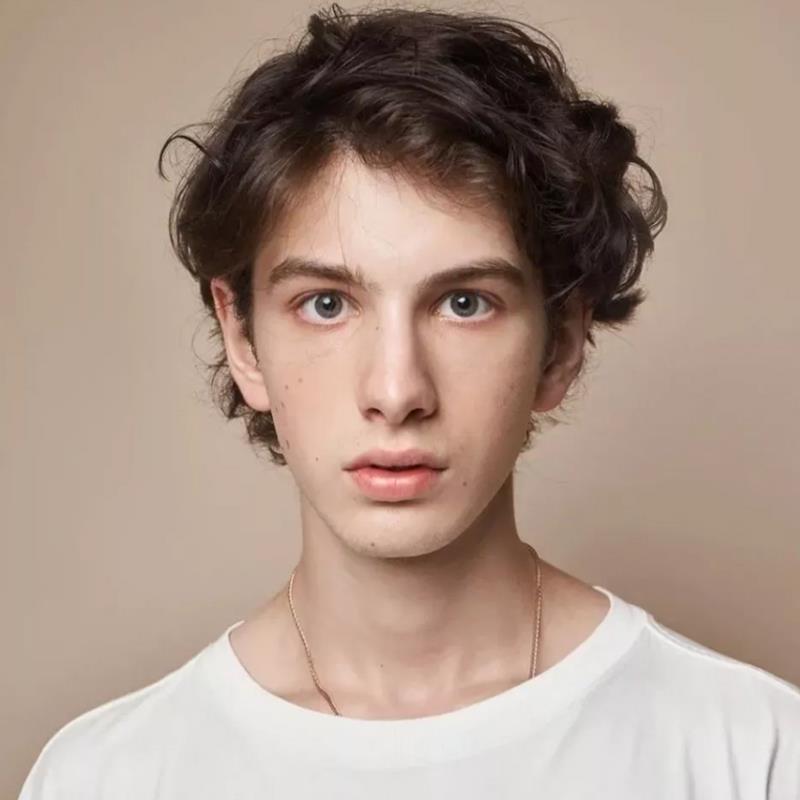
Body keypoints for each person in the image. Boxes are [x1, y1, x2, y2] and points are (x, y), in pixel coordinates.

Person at [19, 4, 799, 798]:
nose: (396, 392)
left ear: (561, 342)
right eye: (326, 304)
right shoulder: (106, 778)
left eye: (464, 303)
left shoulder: (752, 752)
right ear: (242, 337)